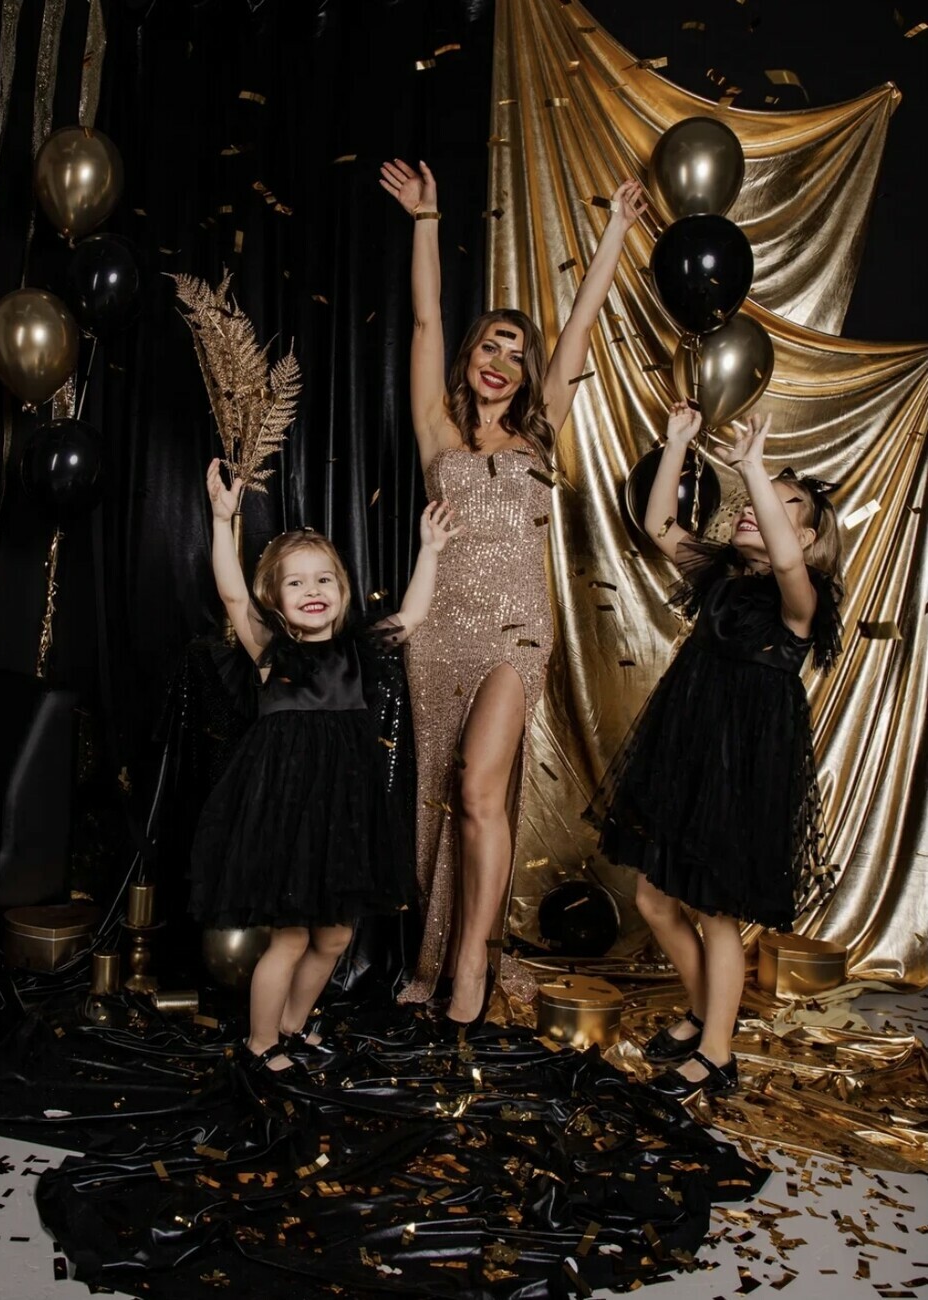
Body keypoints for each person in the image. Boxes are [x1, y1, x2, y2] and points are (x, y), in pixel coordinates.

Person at [379, 156, 646, 1025]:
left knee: (479, 789)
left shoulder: (540, 433)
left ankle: (469, 970)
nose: (503, 361)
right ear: (472, 354)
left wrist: (615, 231)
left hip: (517, 632)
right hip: (438, 631)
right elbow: (425, 318)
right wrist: (427, 219)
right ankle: (441, 952)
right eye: (492, 344)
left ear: (531, 377)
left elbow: (583, 323)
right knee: (443, 797)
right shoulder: (437, 428)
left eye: (518, 354)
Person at [585, 402, 843, 1097]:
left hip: (744, 765)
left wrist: (755, 468)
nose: (757, 508)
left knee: (715, 910)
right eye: (755, 499)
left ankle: (718, 1054)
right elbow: (658, 524)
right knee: (654, 897)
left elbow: (784, 560)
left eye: (783, 505)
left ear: (807, 536)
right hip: (687, 749)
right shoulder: (720, 573)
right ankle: (705, 1013)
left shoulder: (802, 597)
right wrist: (675, 444)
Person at [189, 458, 461, 1079]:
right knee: (289, 938)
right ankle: (261, 1043)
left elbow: (412, 616)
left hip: (344, 815)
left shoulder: (358, 652)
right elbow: (231, 593)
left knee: (335, 937)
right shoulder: (269, 652)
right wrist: (223, 521)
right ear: (275, 600)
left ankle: (291, 1024)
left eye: (324, 580)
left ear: (341, 591)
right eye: (295, 583)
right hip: (286, 813)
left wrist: (430, 551)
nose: (312, 590)